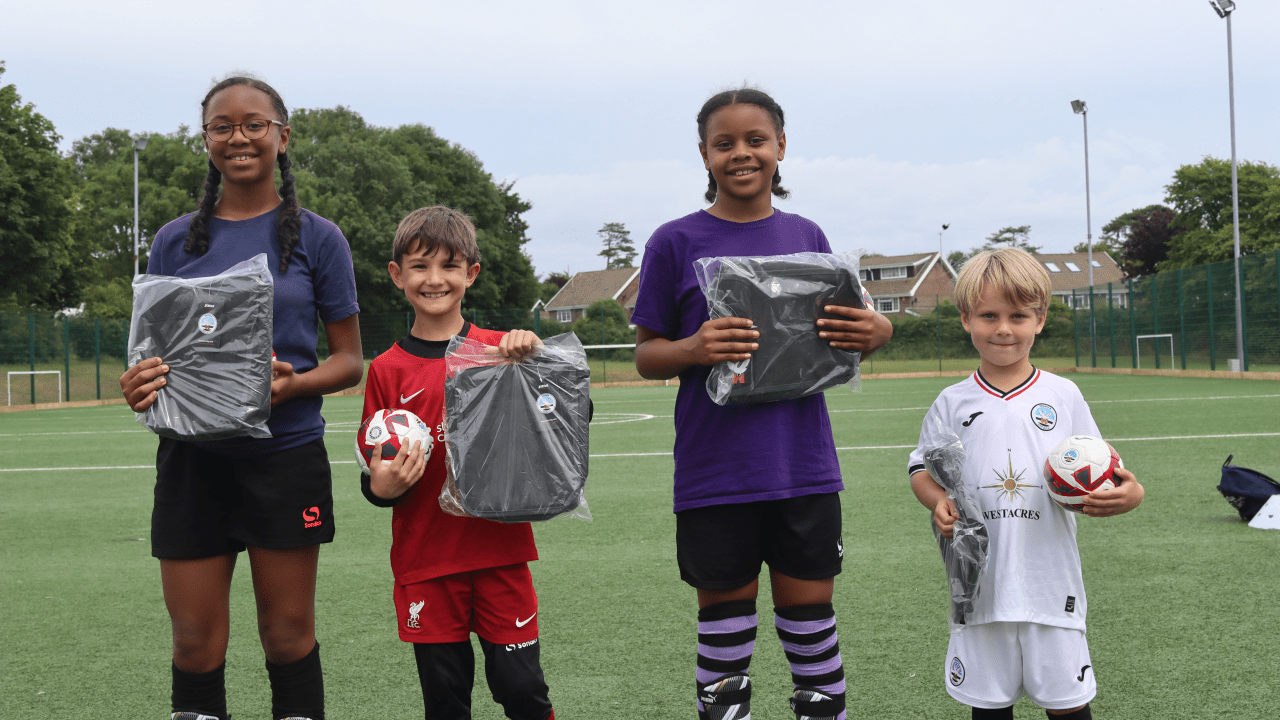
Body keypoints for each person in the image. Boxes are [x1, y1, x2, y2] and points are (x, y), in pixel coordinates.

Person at [631, 88, 893, 720]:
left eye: (755, 140)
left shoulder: (807, 234)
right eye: (724, 144)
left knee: (812, 628)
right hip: (714, 472)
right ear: (704, 155)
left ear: (781, 146)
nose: (741, 154)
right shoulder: (674, 241)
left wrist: (878, 333)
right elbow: (646, 355)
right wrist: (694, 347)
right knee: (724, 639)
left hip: (801, 466)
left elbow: (848, 329)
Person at [118, 75, 363, 720]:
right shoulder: (175, 240)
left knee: (287, 638)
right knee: (195, 643)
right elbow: (153, 355)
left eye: (255, 124)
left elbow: (348, 361)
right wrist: (139, 384)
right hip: (192, 459)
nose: (239, 137)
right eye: (221, 126)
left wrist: (291, 386)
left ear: (283, 137)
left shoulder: (319, 238)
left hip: (285, 456)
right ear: (206, 142)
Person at [907, 248, 1145, 720]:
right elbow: (921, 470)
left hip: (1050, 583)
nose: (1003, 329)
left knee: (1069, 707)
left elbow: (1104, 466)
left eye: (1019, 315)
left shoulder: (1063, 394)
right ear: (965, 319)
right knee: (989, 708)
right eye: (989, 315)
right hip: (978, 586)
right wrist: (937, 502)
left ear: (1039, 320)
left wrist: (1131, 493)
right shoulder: (952, 402)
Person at [360, 206, 555, 720]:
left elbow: (562, 419)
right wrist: (382, 486)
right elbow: (375, 468)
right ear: (397, 275)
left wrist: (538, 361)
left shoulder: (502, 349)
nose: (434, 279)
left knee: (523, 691)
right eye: (420, 266)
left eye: (449, 266)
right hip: (426, 560)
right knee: (446, 702)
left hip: (501, 554)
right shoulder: (385, 369)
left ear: (470, 274)